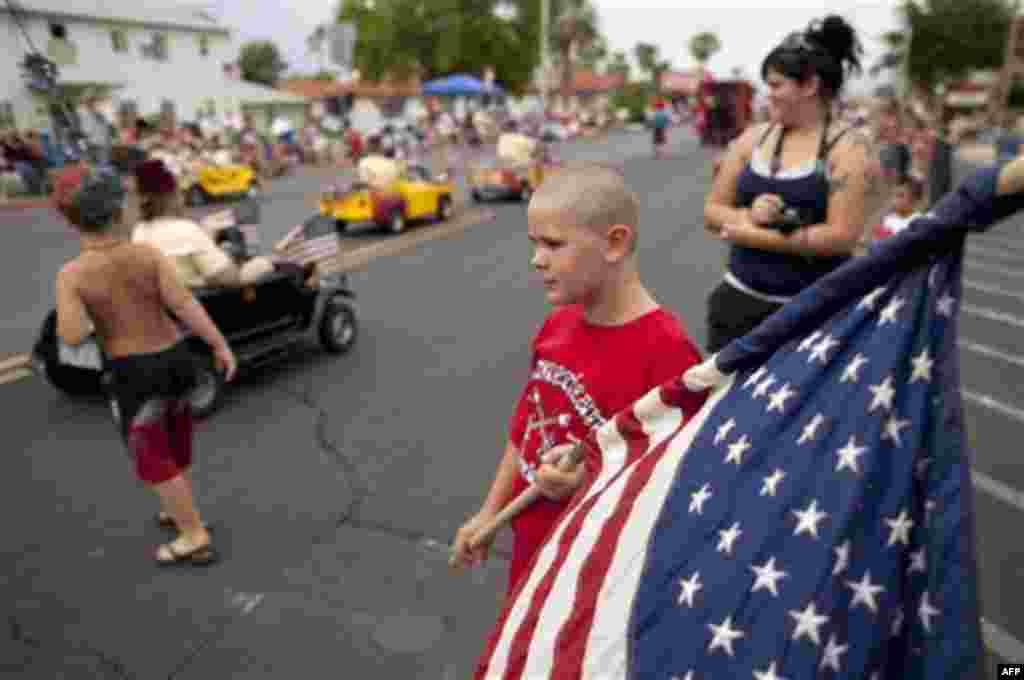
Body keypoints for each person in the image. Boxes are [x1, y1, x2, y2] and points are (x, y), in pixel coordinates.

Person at [450, 164, 704, 595]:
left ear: (614, 243)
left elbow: (670, 488)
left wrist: (584, 482)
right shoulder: (558, 325)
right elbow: (525, 429)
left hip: (589, 575)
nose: (537, 259)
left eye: (553, 244)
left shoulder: (667, 353)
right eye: (535, 244)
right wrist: (490, 513)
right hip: (530, 550)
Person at [52, 163, 236, 565]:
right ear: (120, 212)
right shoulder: (148, 255)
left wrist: (87, 309)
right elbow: (184, 305)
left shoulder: (73, 274)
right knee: (175, 442)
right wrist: (219, 344)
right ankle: (177, 510)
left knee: (152, 458)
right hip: (176, 359)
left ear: (71, 220)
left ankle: (193, 534)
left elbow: (70, 334)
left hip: (134, 373)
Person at [702, 15, 891, 354]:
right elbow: (712, 211)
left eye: (776, 85)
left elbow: (841, 237)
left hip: (812, 316)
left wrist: (753, 234)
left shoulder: (850, 149)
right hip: (738, 307)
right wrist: (749, 215)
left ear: (810, 86)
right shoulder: (753, 139)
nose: (767, 94)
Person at [130, 158, 270, 288]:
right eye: (180, 193)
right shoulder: (187, 231)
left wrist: (205, 236)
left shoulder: (138, 232)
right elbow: (230, 278)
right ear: (172, 196)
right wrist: (265, 262)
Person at [873, 174, 924, 240]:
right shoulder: (888, 220)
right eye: (894, 195)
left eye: (901, 196)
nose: (895, 200)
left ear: (914, 198)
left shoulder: (919, 222)